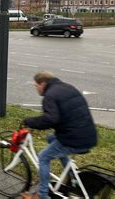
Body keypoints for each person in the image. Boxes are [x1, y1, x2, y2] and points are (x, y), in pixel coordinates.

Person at [21, 71, 97, 199]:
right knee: (51, 138)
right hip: (87, 135)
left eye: (36, 85)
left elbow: (51, 119)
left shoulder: (49, 95)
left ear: (43, 83)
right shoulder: (67, 87)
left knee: (43, 157)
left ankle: (41, 194)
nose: (36, 88)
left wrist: (30, 122)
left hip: (74, 139)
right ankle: (72, 176)